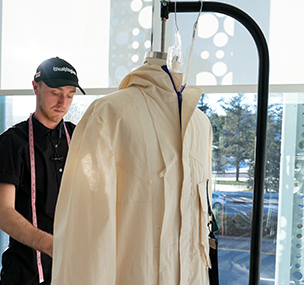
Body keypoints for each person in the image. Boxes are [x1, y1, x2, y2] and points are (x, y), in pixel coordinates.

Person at [52, 54, 212, 284]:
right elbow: (87, 234)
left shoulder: (201, 123)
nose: (62, 101)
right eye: (56, 93)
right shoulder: (109, 113)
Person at [0, 57, 85, 285]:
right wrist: (50, 244)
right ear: (35, 87)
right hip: (24, 272)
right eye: (56, 92)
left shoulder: (78, 137)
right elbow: (4, 214)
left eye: (70, 95)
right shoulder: (11, 143)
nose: (63, 102)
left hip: (69, 269)